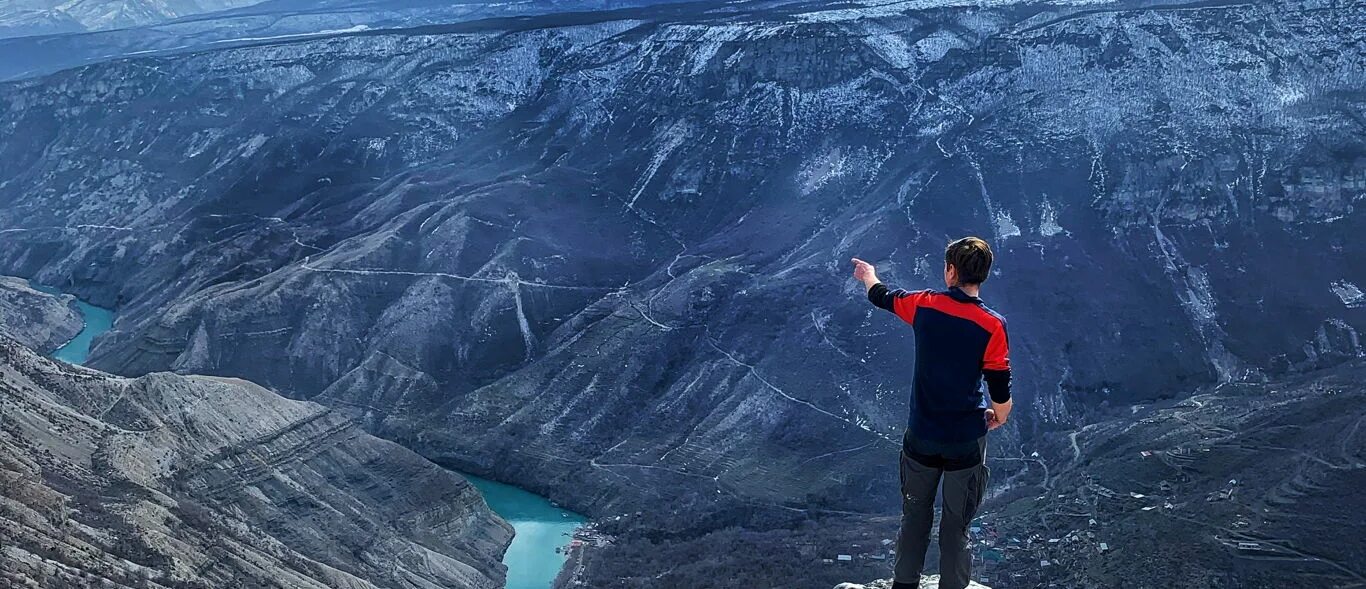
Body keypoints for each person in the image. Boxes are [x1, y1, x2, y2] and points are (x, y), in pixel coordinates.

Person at [850, 236, 1011, 589]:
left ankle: (904, 585)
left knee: (915, 518)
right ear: (983, 275)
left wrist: (868, 274)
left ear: (950, 271)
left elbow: (881, 295)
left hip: (921, 434)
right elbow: (1000, 390)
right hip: (965, 440)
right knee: (956, 526)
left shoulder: (924, 304)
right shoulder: (992, 325)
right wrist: (998, 416)